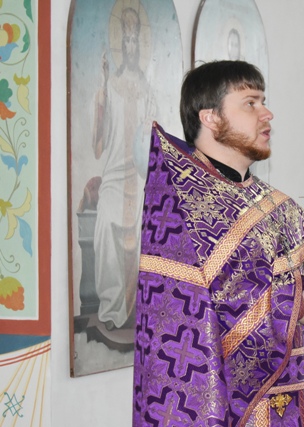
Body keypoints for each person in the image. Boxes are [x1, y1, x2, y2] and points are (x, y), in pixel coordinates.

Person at [133, 60, 304, 426]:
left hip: (292, 407)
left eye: (264, 101)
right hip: (228, 410)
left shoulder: (277, 205)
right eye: (251, 103)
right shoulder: (181, 203)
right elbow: (193, 313)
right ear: (211, 117)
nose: (267, 113)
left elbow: (303, 280)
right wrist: (298, 308)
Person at [92, 6, 156, 331]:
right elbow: (99, 144)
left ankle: (141, 309)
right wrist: (103, 90)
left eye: (134, 40)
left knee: (149, 229)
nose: (130, 46)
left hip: (139, 176)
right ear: (121, 45)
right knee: (104, 224)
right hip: (114, 175)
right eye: (126, 40)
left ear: (139, 46)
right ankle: (112, 306)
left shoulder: (147, 90)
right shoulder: (112, 85)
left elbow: (155, 139)